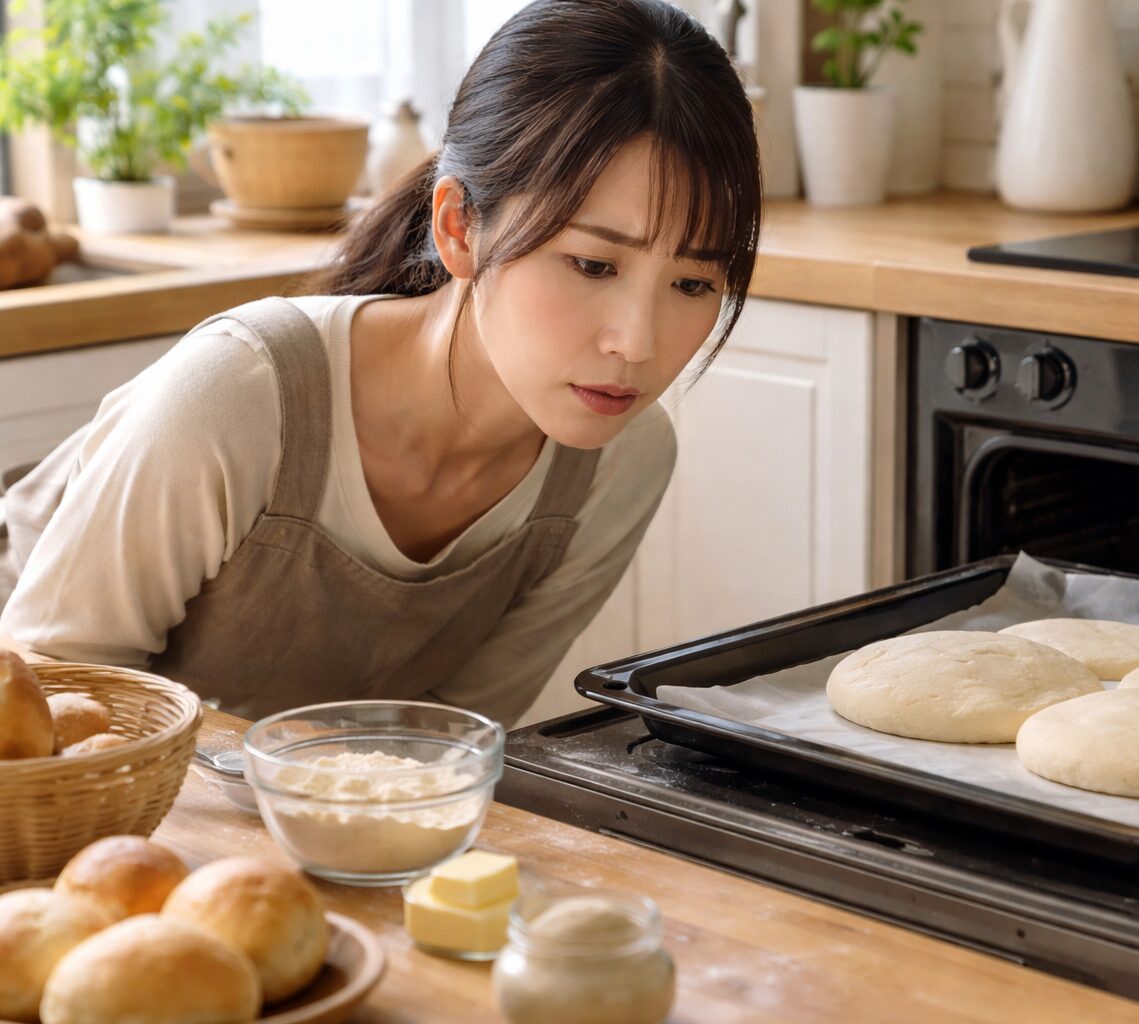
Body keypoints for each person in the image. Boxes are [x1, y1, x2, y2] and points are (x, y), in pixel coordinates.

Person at [0, 0, 761, 724]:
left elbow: (452, 742)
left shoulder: (621, 463)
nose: (638, 344)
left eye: (693, 283)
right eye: (593, 265)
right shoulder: (236, 395)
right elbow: (58, 711)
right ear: (459, 229)